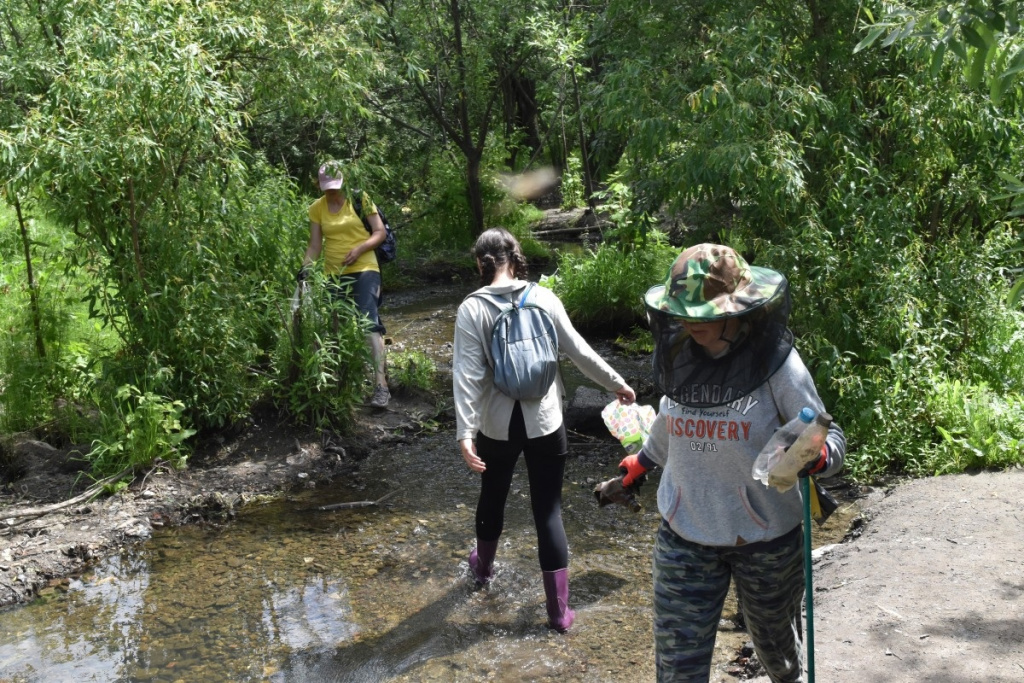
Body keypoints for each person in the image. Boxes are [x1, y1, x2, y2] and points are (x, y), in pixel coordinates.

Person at [617, 244, 846, 682]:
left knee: (778, 658)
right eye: (682, 312)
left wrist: (817, 458)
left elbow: (830, 438)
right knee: (677, 670)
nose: (688, 323)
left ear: (737, 309)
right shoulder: (680, 355)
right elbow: (668, 423)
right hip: (684, 535)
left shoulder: (777, 365)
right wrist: (641, 464)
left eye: (701, 313)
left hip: (765, 541)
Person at [453, 227, 636, 633]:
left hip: (496, 426)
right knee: (548, 510)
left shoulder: (472, 309)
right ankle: (558, 613)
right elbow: (578, 350)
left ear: (480, 264)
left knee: (493, 497)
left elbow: (466, 375)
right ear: (516, 259)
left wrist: (465, 433)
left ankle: (482, 571)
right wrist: (616, 383)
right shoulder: (543, 297)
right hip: (545, 422)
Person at [300, 162, 390, 408]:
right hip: (333, 273)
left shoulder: (360, 198)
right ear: (320, 186)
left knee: (367, 320)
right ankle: (341, 386)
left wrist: (360, 247)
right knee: (333, 325)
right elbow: (315, 246)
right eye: (327, 188)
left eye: (336, 187)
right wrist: (305, 269)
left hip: (365, 268)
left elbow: (379, 232)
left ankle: (381, 385)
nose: (332, 192)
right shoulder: (316, 209)